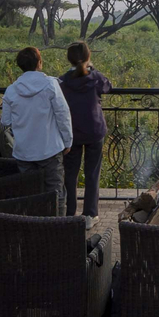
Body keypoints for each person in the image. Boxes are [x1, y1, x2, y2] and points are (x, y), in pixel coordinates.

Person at [0, 46, 73, 215]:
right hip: (50, 149)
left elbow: (6, 121)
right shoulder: (51, 85)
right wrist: (67, 141)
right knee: (56, 194)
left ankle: (34, 231)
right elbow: (63, 115)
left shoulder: (11, 90)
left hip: (24, 152)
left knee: (31, 195)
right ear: (39, 63)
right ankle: (57, 232)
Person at [60, 40, 110, 225]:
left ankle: (69, 213)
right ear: (88, 57)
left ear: (69, 60)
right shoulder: (95, 78)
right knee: (92, 173)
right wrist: (93, 69)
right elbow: (108, 85)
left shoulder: (63, 81)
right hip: (94, 131)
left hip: (72, 134)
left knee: (70, 175)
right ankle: (90, 215)